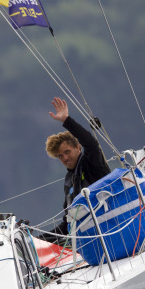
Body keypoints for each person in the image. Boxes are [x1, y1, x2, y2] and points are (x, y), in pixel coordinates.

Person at [45, 97, 111, 235]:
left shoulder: (92, 163)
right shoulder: (70, 180)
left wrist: (66, 120)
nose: (65, 158)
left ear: (78, 147)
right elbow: (67, 223)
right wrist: (39, 240)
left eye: (67, 152)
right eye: (60, 156)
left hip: (109, 227)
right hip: (89, 238)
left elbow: (91, 144)